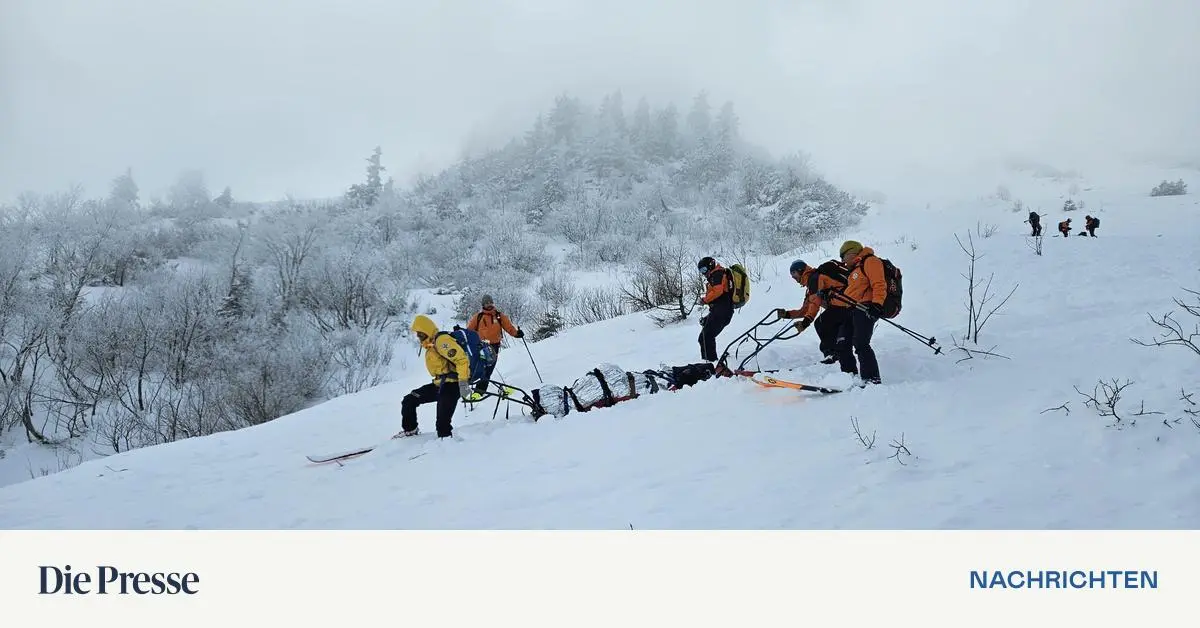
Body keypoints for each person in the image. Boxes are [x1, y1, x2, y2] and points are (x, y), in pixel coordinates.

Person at [399, 314, 473, 439]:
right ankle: (410, 430)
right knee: (409, 400)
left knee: (442, 426)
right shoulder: (431, 344)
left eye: (420, 333)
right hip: (440, 384)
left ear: (427, 330)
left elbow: (462, 360)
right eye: (417, 333)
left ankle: (448, 450)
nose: (418, 336)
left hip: (453, 385)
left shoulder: (442, 341)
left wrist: (463, 383)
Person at [774, 258, 850, 364]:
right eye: (792, 276)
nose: (794, 278)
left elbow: (815, 303)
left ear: (801, 270)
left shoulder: (815, 279)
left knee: (821, 323)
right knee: (832, 328)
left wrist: (806, 322)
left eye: (794, 274)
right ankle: (837, 356)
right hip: (840, 308)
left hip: (846, 305)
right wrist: (787, 314)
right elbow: (805, 310)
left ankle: (831, 354)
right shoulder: (811, 285)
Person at [834, 240, 886, 385]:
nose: (842, 261)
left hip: (866, 308)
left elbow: (879, 284)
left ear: (851, 253)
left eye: (842, 256)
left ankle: (872, 379)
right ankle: (849, 377)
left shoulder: (870, 261)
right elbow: (851, 294)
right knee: (842, 342)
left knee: (861, 343)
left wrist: (877, 305)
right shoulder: (854, 271)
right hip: (852, 309)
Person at [465, 294, 523, 394]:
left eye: (490, 302)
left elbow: (508, 327)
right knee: (480, 367)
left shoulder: (499, 316)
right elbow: (469, 331)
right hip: (481, 346)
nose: (489, 304)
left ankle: (480, 391)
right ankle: (474, 388)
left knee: (489, 368)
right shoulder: (478, 317)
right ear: (483, 304)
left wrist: (517, 334)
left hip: (494, 346)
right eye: (486, 303)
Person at [697, 256, 735, 362]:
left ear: (710, 265)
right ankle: (709, 362)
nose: (703, 273)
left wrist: (705, 300)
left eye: (704, 270)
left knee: (706, 337)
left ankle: (711, 364)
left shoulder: (717, 274)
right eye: (701, 271)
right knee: (704, 337)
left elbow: (718, 291)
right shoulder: (716, 275)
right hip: (720, 311)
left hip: (722, 311)